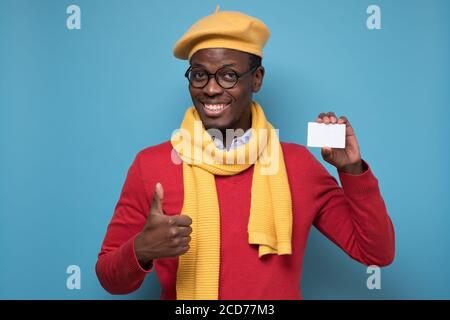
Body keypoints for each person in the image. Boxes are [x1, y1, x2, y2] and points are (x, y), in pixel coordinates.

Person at [95, 7, 395, 300]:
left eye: (228, 75)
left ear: (257, 78)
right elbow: (110, 279)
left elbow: (376, 253)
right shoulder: (152, 165)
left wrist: (352, 171)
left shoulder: (298, 165)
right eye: (199, 75)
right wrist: (141, 249)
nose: (211, 89)